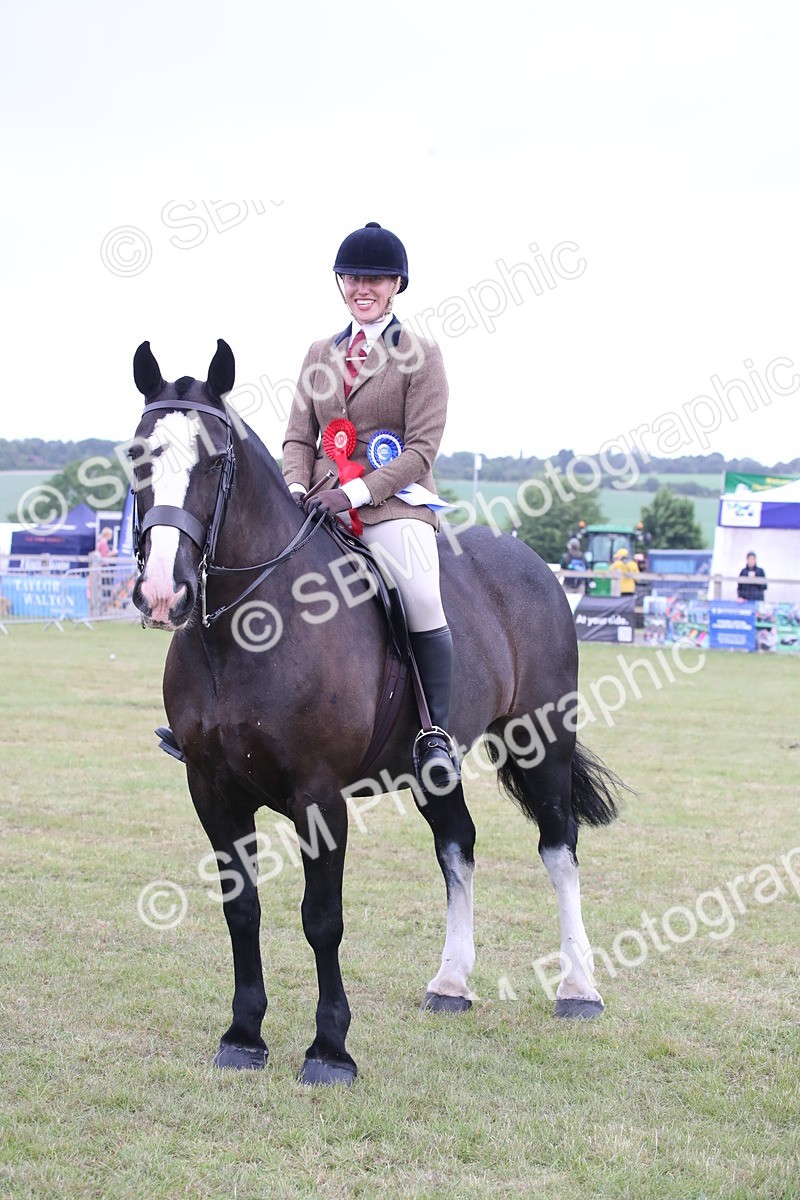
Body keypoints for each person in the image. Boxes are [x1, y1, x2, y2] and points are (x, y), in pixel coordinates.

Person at [282, 222, 457, 788]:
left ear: (396, 284)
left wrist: (355, 492)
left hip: (391, 507)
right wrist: (293, 489)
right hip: (314, 506)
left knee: (422, 596)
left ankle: (436, 735)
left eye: (375, 279)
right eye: (353, 277)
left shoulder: (420, 355)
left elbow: (422, 449)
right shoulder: (318, 352)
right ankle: (220, 720)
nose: (363, 287)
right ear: (341, 284)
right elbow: (297, 438)